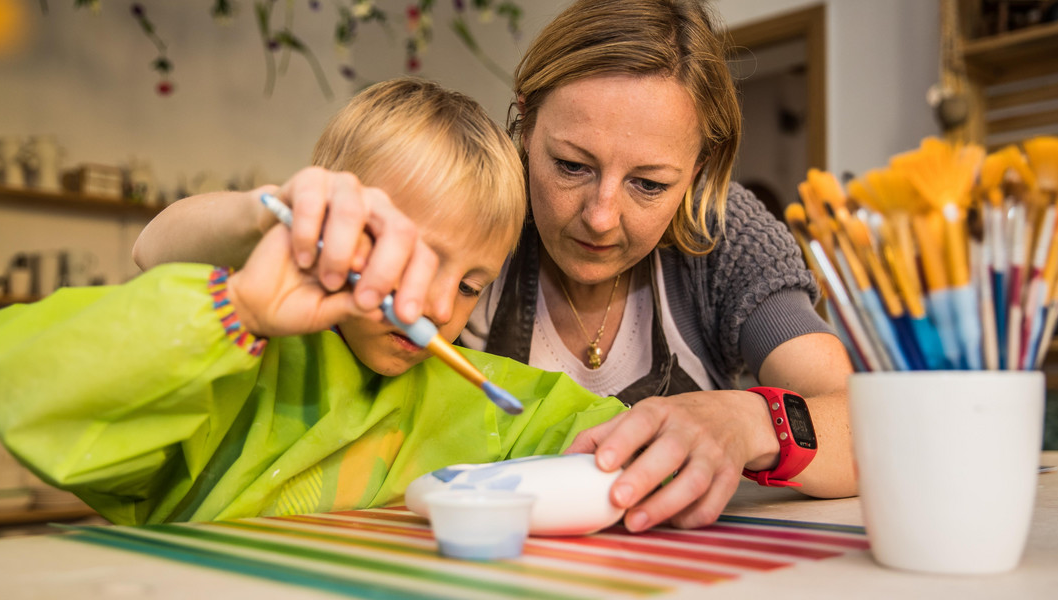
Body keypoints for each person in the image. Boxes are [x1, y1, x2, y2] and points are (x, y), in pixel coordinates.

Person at [135, 0, 858, 532]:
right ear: (524, 123)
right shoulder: (477, 222)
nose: (601, 215)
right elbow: (154, 249)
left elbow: (864, 426)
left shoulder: (719, 234)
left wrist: (746, 418)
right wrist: (270, 212)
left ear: (700, 169)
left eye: (649, 184)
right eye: (570, 165)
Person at [0, 77, 626, 525]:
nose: (436, 307)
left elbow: (615, 439)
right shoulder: (226, 355)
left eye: (470, 285)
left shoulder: (485, 406)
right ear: (331, 226)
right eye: (411, 259)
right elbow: (15, 381)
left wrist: (704, 425)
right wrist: (240, 311)